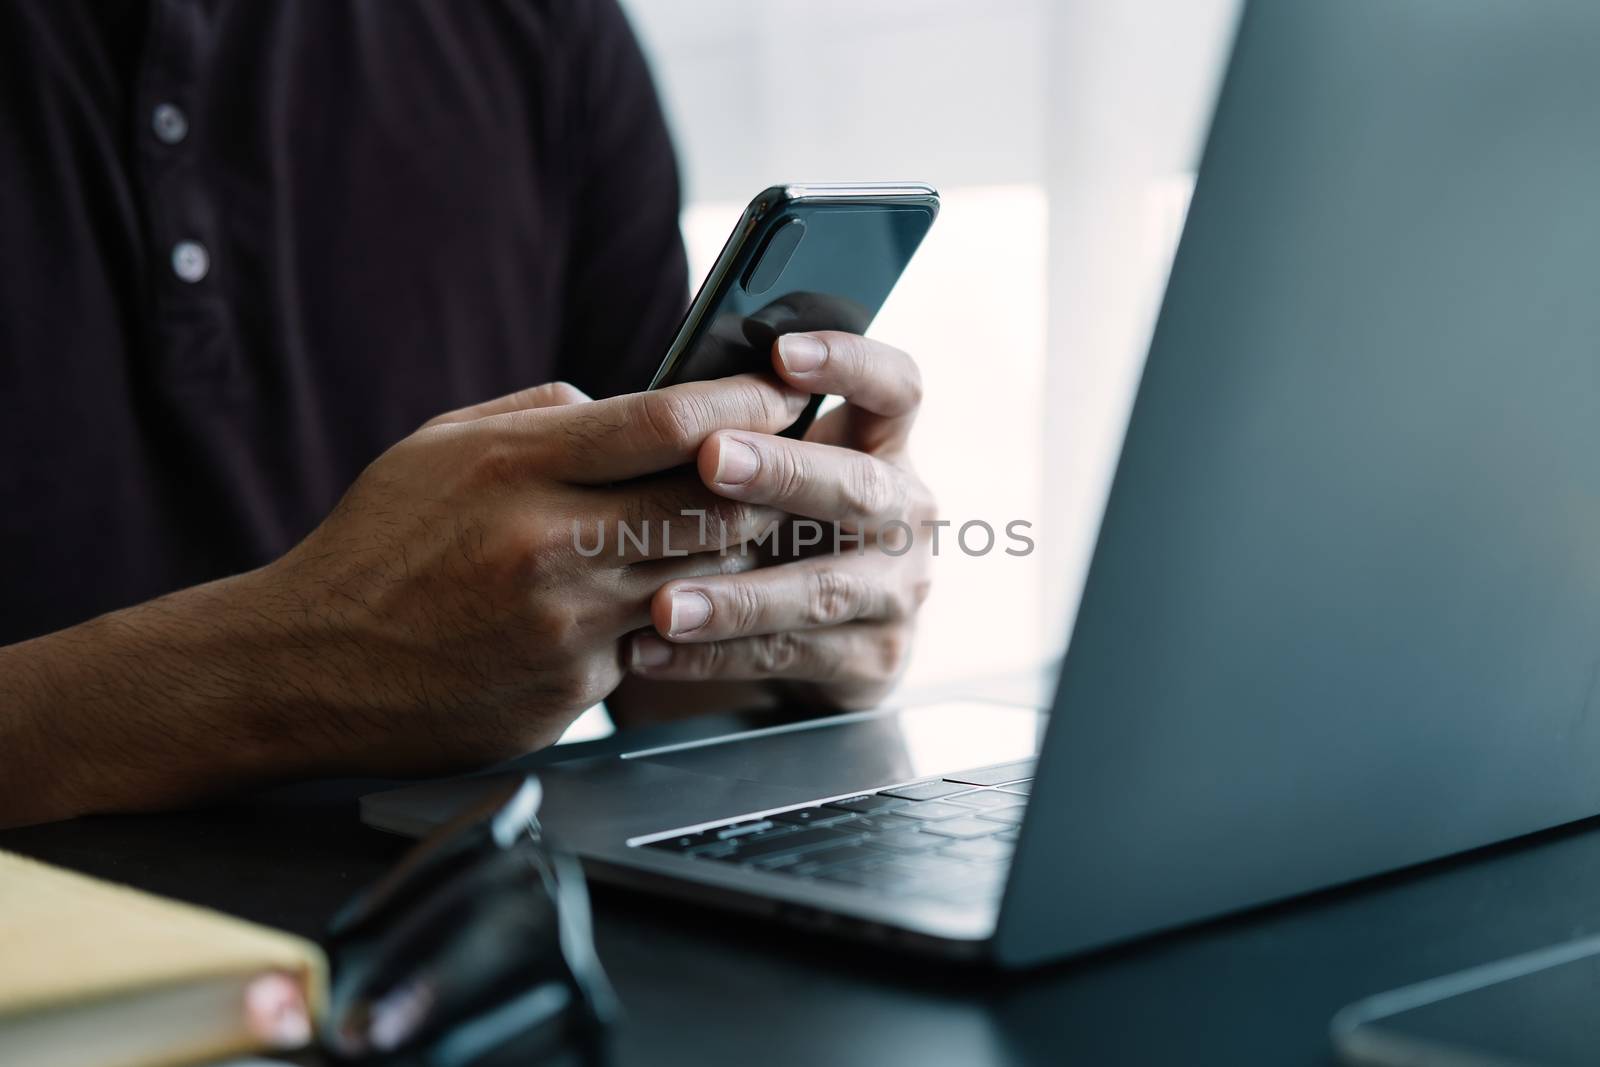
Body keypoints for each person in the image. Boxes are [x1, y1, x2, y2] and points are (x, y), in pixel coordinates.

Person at [0, 1, 935, 828]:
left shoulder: (549, 30)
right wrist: (287, 671)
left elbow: (643, 667)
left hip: (485, 950)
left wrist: (775, 624)